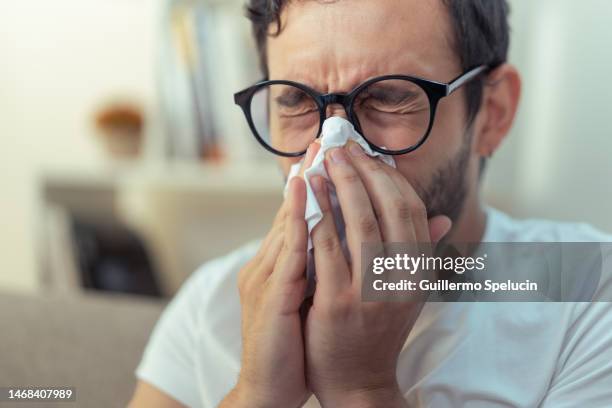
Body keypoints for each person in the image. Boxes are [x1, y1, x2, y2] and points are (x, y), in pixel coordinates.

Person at [129, 0, 612, 406]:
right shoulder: (211, 303)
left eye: (388, 97)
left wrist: (360, 387)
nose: (333, 148)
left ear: (492, 114)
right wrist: (255, 394)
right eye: (295, 101)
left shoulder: (587, 287)